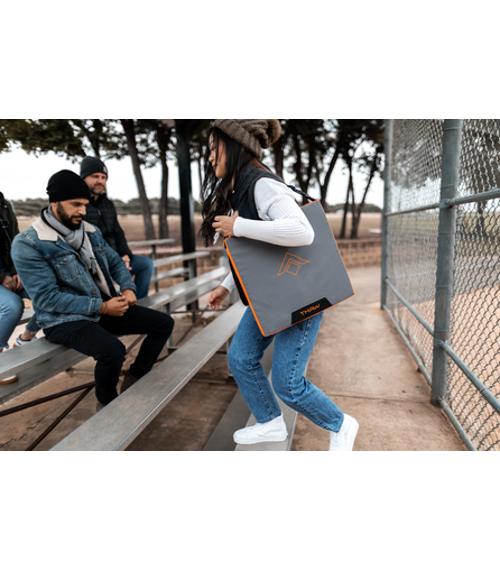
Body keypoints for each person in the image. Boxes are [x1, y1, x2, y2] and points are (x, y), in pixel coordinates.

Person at [201, 120, 359, 451]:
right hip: (271, 294)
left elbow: (302, 231)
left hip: (299, 297)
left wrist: (238, 226)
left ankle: (341, 424)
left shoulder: (262, 186)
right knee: (241, 357)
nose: (210, 157)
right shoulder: (240, 190)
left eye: (215, 148)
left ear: (236, 145)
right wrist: (227, 286)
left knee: (288, 384)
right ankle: (270, 422)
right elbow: (257, 253)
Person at [11, 170, 174, 410]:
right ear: (55, 203)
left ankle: (135, 376)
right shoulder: (27, 243)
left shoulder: (89, 231)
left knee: (164, 323)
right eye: (76, 204)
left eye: (85, 205)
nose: (83, 211)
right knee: (112, 351)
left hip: (100, 308)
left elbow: (116, 261)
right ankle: (107, 407)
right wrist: (103, 307)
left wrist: (128, 288)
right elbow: (47, 299)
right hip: (62, 319)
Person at [80, 156, 155, 299]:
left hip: (115, 258)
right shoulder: (79, 205)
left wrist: (125, 255)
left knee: (146, 264)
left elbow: (118, 232)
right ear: (83, 178)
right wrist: (115, 262)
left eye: (103, 177)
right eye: (95, 176)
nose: (100, 181)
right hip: (94, 263)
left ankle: (139, 305)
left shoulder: (108, 204)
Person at [0, 192, 39, 385]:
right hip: (1, 276)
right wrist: (2, 278)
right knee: (13, 306)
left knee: (47, 295)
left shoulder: (4, 204)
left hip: (11, 270)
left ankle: (25, 337)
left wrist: (17, 271)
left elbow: (16, 240)